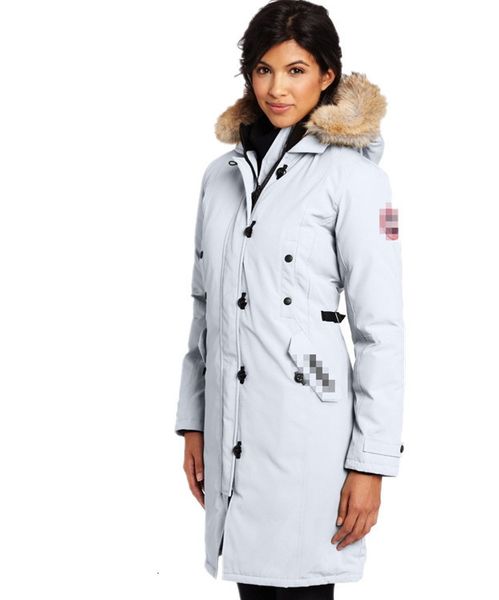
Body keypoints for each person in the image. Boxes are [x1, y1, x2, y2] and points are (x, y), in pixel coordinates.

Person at [174, 1, 405, 598]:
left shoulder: (357, 179)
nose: (277, 89)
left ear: (327, 75)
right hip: (229, 425)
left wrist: (372, 462)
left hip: (311, 431)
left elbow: (380, 330)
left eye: (296, 70)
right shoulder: (220, 176)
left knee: (301, 584)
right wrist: (193, 423)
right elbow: (204, 308)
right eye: (264, 69)